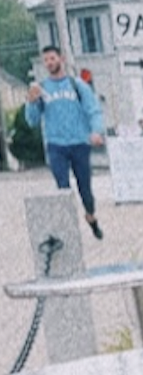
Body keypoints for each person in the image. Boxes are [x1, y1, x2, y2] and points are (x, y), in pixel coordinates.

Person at [24, 46, 105, 239]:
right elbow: (32, 120)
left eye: (52, 58)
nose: (49, 63)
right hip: (56, 145)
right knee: (62, 187)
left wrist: (96, 131)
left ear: (61, 59)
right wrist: (31, 102)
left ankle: (91, 217)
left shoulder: (77, 85)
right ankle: (69, 228)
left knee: (85, 187)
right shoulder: (42, 88)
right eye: (46, 60)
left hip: (79, 143)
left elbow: (93, 110)